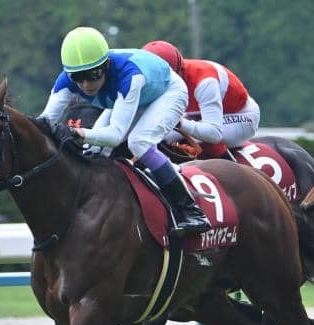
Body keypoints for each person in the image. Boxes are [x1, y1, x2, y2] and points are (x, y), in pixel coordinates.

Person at [38, 26, 210, 235]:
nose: (86, 84)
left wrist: (78, 133)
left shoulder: (129, 76)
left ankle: (191, 211)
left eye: (93, 74)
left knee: (139, 143)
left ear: (107, 65)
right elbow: (44, 122)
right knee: (92, 149)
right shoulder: (65, 81)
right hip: (132, 95)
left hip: (167, 92)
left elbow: (115, 135)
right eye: (78, 77)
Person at [142, 40, 260, 159]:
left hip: (242, 117)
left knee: (199, 137)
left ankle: (232, 169)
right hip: (200, 114)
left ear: (176, 73)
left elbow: (214, 133)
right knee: (162, 137)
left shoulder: (205, 82)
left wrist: (178, 123)